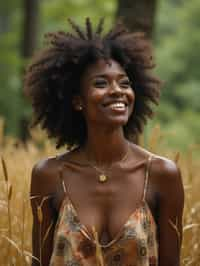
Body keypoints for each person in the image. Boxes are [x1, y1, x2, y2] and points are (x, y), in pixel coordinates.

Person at [25, 18, 184, 266]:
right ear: (78, 101)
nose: (118, 90)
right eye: (101, 83)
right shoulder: (50, 175)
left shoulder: (161, 174)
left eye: (124, 83)